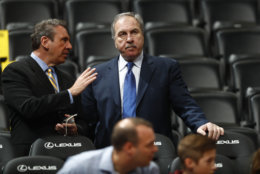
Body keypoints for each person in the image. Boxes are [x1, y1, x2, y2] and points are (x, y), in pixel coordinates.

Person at [81, 12, 224, 148]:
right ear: (115, 41)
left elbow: (185, 104)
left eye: (134, 32)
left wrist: (201, 123)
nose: (129, 39)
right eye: (122, 34)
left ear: (143, 35)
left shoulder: (166, 68)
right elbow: (88, 121)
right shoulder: (96, 74)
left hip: (154, 151)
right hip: (111, 153)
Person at [1, 19, 97, 156]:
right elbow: (28, 107)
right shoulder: (15, 71)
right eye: (64, 40)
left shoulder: (67, 77)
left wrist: (76, 129)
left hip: (66, 153)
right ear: (45, 41)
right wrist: (69, 93)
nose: (69, 46)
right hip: (30, 157)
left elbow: (82, 121)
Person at [57, 117, 159, 174]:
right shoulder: (79, 167)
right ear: (129, 147)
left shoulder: (150, 169)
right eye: (149, 145)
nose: (155, 149)